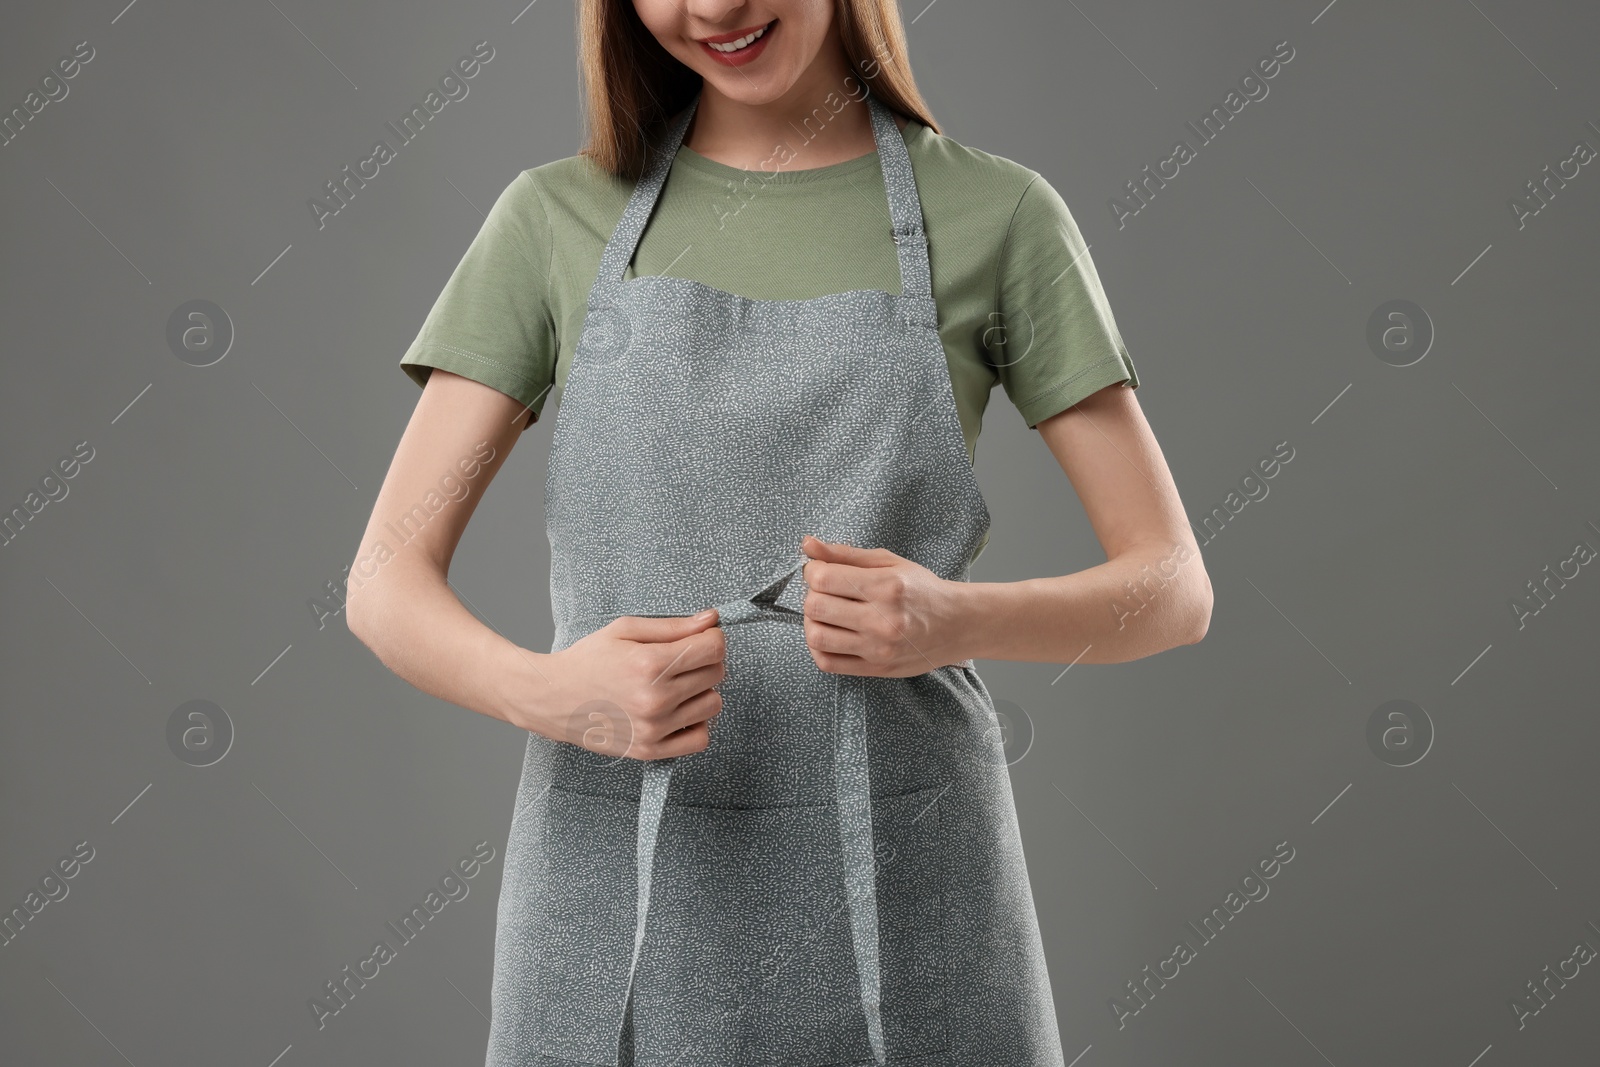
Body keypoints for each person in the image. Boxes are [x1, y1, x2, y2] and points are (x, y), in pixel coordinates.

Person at [347, 1, 1213, 1064]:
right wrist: (548, 689)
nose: (712, 8)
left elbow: (1172, 586)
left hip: (913, 887)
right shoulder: (552, 219)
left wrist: (955, 617)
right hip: (608, 887)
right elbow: (382, 582)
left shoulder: (998, 216)